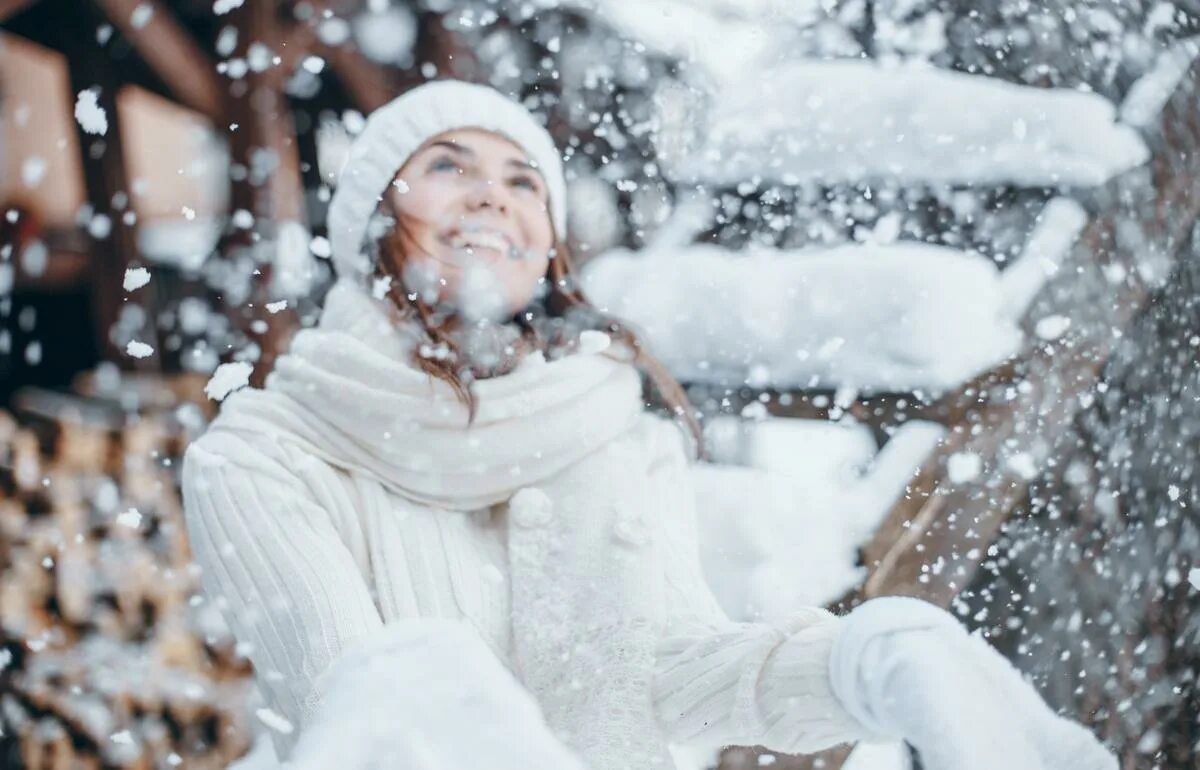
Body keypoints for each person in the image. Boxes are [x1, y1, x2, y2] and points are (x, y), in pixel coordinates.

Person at [181, 80, 1115, 770]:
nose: (493, 197)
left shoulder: (610, 429)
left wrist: (862, 665)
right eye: (446, 167)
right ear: (374, 216)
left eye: (523, 182)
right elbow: (366, 719)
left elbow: (667, 671)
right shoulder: (265, 457)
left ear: (547, 246)